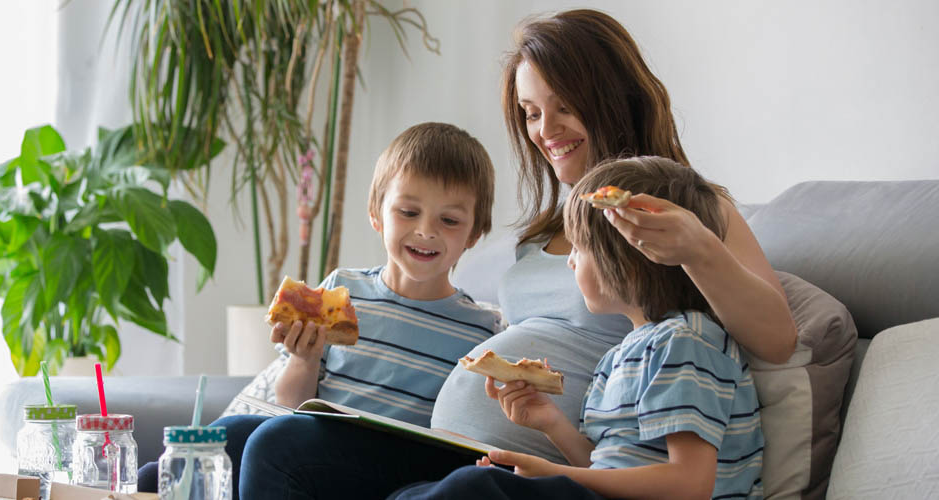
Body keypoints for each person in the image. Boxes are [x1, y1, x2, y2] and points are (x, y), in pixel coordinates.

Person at [231, 8, 796, 499]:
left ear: (613, 98)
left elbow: (776, 337)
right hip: (464, 446)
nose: (545, 130)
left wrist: (698, 246)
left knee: (283, 448)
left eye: (564, 106)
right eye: (530, 112)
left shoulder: (683, 211)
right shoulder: (537, 235)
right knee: (239, 439)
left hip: (522, 472)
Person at [136, 122, 503, 496]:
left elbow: (472, 436)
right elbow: (291, 405)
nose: (426, 230)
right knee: (220, 440)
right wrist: (302, 360)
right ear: (376, 214)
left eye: (450, 220)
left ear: (474, 233)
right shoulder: (343, 293)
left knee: (274, 440)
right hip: (316, 449)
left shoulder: (481, 332)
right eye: (408, 212)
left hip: (396, 468)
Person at [390, 156, 764, 499]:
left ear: (629, 259)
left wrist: (552, 474)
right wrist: (551, 423)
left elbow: (690, 485)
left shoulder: (683, 342)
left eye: (579, 249)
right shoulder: (621, 355)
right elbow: (604, 467)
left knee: (472, 488)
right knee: (413, 493)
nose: (569, 262)